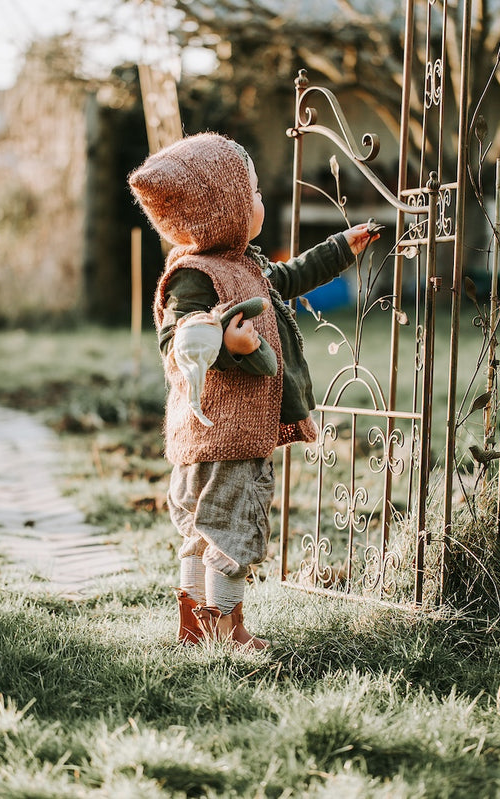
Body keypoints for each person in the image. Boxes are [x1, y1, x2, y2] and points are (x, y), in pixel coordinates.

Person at [129, 132, 379, 649]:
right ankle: (225, 625)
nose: (261, 202)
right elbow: (179, 340)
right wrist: (226, 344)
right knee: (230, 526)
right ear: (222, 209)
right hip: (224, 430)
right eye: (254, 195)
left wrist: (340, 249)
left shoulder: (246, 264)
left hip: (221, 431)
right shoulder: (192, 276)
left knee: (207, 527)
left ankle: (195, 628)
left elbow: (289, 277)